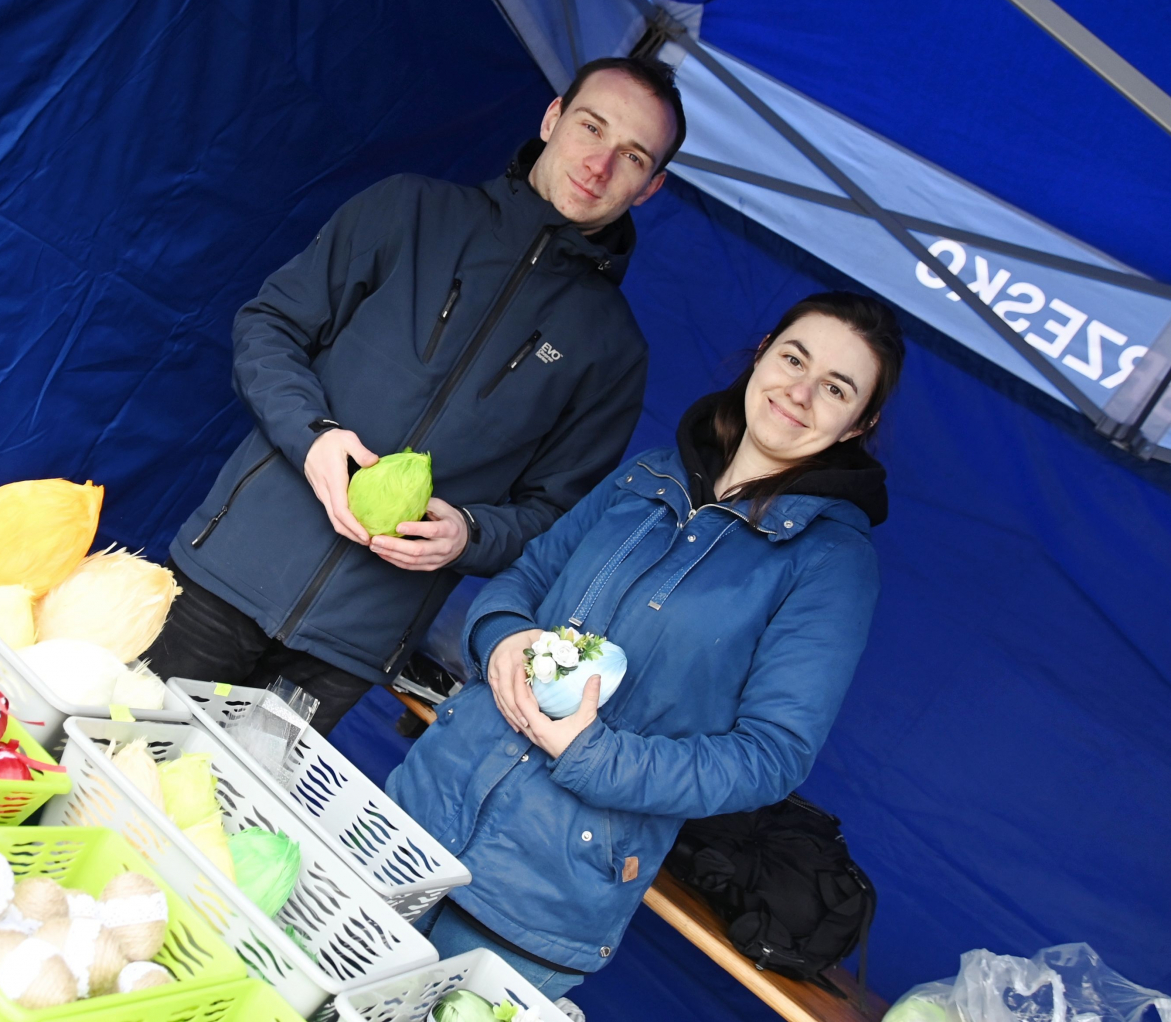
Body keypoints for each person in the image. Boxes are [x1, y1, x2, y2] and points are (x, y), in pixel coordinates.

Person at [386, 292, 906, 1002]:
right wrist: (502, 637)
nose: (801, 391)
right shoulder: (648, 473)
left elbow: (772, 754)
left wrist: (593, 756)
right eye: (794, 358)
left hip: (544, 892)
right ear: (763, 353)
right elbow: (525, 577)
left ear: (861, 423)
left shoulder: (831, 561)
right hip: (418, 813)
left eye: (837, 388)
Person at [148, 56, 687, 734]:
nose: (599, 164)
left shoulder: (613, 350)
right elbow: (268, 327)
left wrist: (470, 535)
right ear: (553, 118)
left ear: (651, 186)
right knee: (107, 759)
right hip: (225, 577)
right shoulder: (411, 209)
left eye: (632, 156)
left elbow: (556, 515)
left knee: (223, 802)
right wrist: (312, 436)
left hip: (347, 649)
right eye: (591, 126)